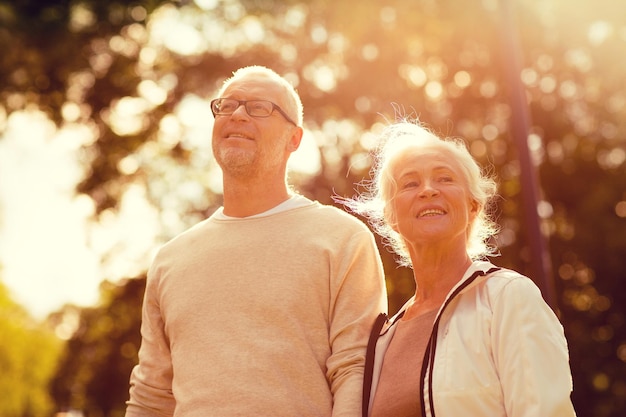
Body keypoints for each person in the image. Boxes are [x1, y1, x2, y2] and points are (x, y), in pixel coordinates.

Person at [124, 66, 388, 417]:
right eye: (227, 105)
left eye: (259, 107)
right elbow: (151, 396)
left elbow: (356, 370)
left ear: (294, 139)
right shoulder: (170, 259)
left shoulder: (342, 238)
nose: (237, 114)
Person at [341, 120, 576, 417]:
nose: (427, 190)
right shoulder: (381, 339)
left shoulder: (508, 298)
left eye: (444, 179)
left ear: (472, 206)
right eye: (410, 183)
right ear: (391, 216)